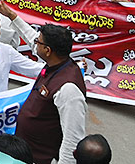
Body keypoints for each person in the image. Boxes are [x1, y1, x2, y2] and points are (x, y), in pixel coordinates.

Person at [15, 23, 87, 164]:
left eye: (38, 42)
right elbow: (32, 39)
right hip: (26, 153)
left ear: (47, 50)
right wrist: (11, 16)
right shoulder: (56, 65)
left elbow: (72, 140)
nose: (35, 44)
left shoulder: (69, 89)